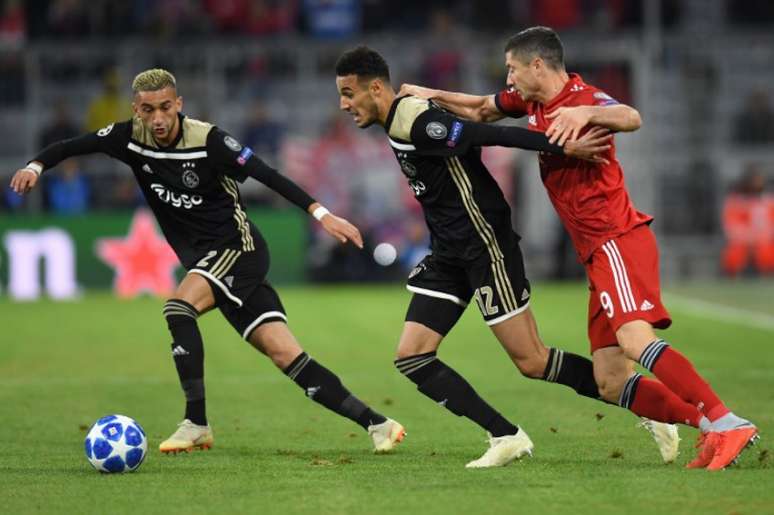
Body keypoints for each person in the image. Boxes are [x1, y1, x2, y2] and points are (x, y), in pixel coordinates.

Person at [399, 26, 759, 470]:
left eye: (512, 68)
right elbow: (481, 108)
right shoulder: (531, 101)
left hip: (616, 239)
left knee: (634, 338)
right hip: (594, 251)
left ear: (537, 65)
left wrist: (589, 111)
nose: (507, 78)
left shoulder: (581, 98)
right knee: (610, 381)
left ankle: (727, 422)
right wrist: (425, 92)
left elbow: (631, 116)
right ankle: (707, 428)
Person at [10, 68, 405, 455]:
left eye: (166, 107)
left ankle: (195, 422)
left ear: (179, 103)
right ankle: (378, 424)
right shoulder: (128, 137)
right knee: (287, 356)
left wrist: (322, 214)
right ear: (137, 110)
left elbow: (268, 175)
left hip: (239, 250)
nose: (159, 118)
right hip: (211, 261)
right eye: (149, 110)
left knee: (179, 308)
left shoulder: (209, 141)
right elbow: (70, 146)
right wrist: (34, 165)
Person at [334, 46, 678, 469]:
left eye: (349, 93)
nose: (344, 105)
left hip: (483, 246)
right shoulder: (401, 117)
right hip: (448, 252)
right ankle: (505, 435)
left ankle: (645, 403)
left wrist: (559, 146)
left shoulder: (414, 119)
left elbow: (485, 134)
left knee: (532, 361)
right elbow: (476, 119)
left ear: (374, 88)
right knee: (412, 356)